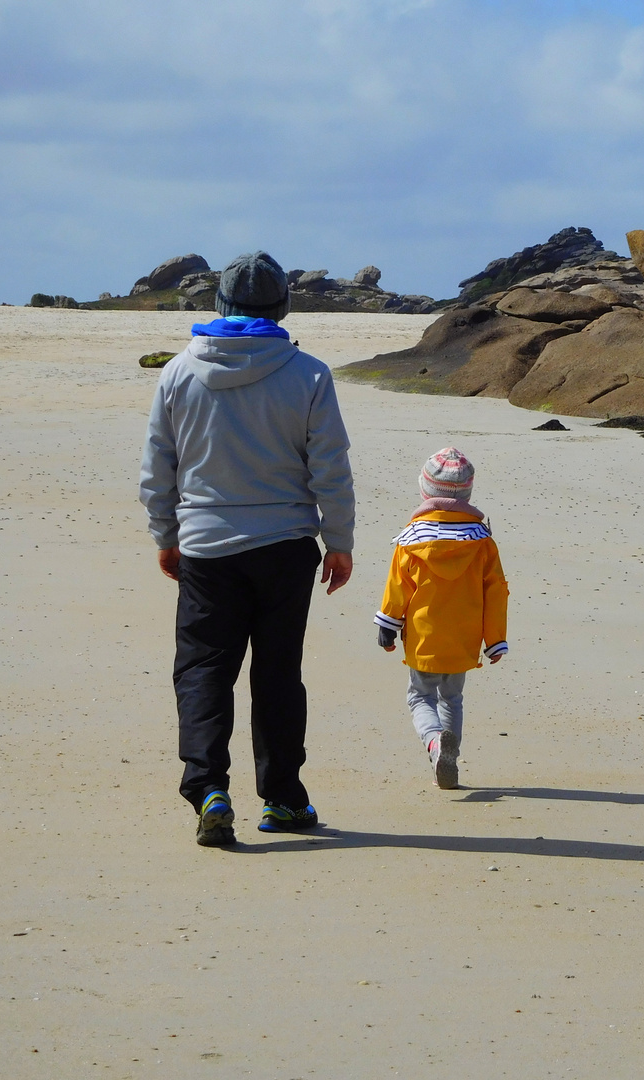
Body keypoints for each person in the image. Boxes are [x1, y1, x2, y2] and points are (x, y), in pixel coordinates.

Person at [139, 250, 354, 846]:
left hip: (206, 547)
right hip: (285, 547)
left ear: (220, 305)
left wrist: (167, 534)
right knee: (278, 674)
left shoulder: (178, 372)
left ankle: (208, 787)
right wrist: (338, 541)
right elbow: (330, 468)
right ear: (282, 307)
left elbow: (158, 467)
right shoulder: (309, 373)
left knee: (204, 669)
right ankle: (283, 798)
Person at [374, 448, 508, 789]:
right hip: (463, 639)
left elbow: (397, 588)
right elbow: (496, 593)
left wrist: (387, 626)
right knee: (452, 698)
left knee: (420, 696)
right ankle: (450, 758)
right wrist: (494, 641)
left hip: (424, 638)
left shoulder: (411, 541)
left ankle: (435, 745)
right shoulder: (482, 542)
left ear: (425, 492)